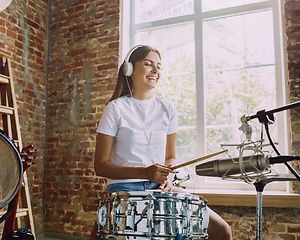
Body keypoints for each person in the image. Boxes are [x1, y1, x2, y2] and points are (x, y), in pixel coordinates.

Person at [89, 45, 232, 240]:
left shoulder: (168, 108)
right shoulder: (115, 109)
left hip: (159, 189)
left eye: (159, 66)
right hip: (124, 191)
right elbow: (101, 166)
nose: (156, 71)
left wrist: (168, 176)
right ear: (128, 70)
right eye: (148, 64)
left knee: (222, 231)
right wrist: (145, 172)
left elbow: (170, 157)